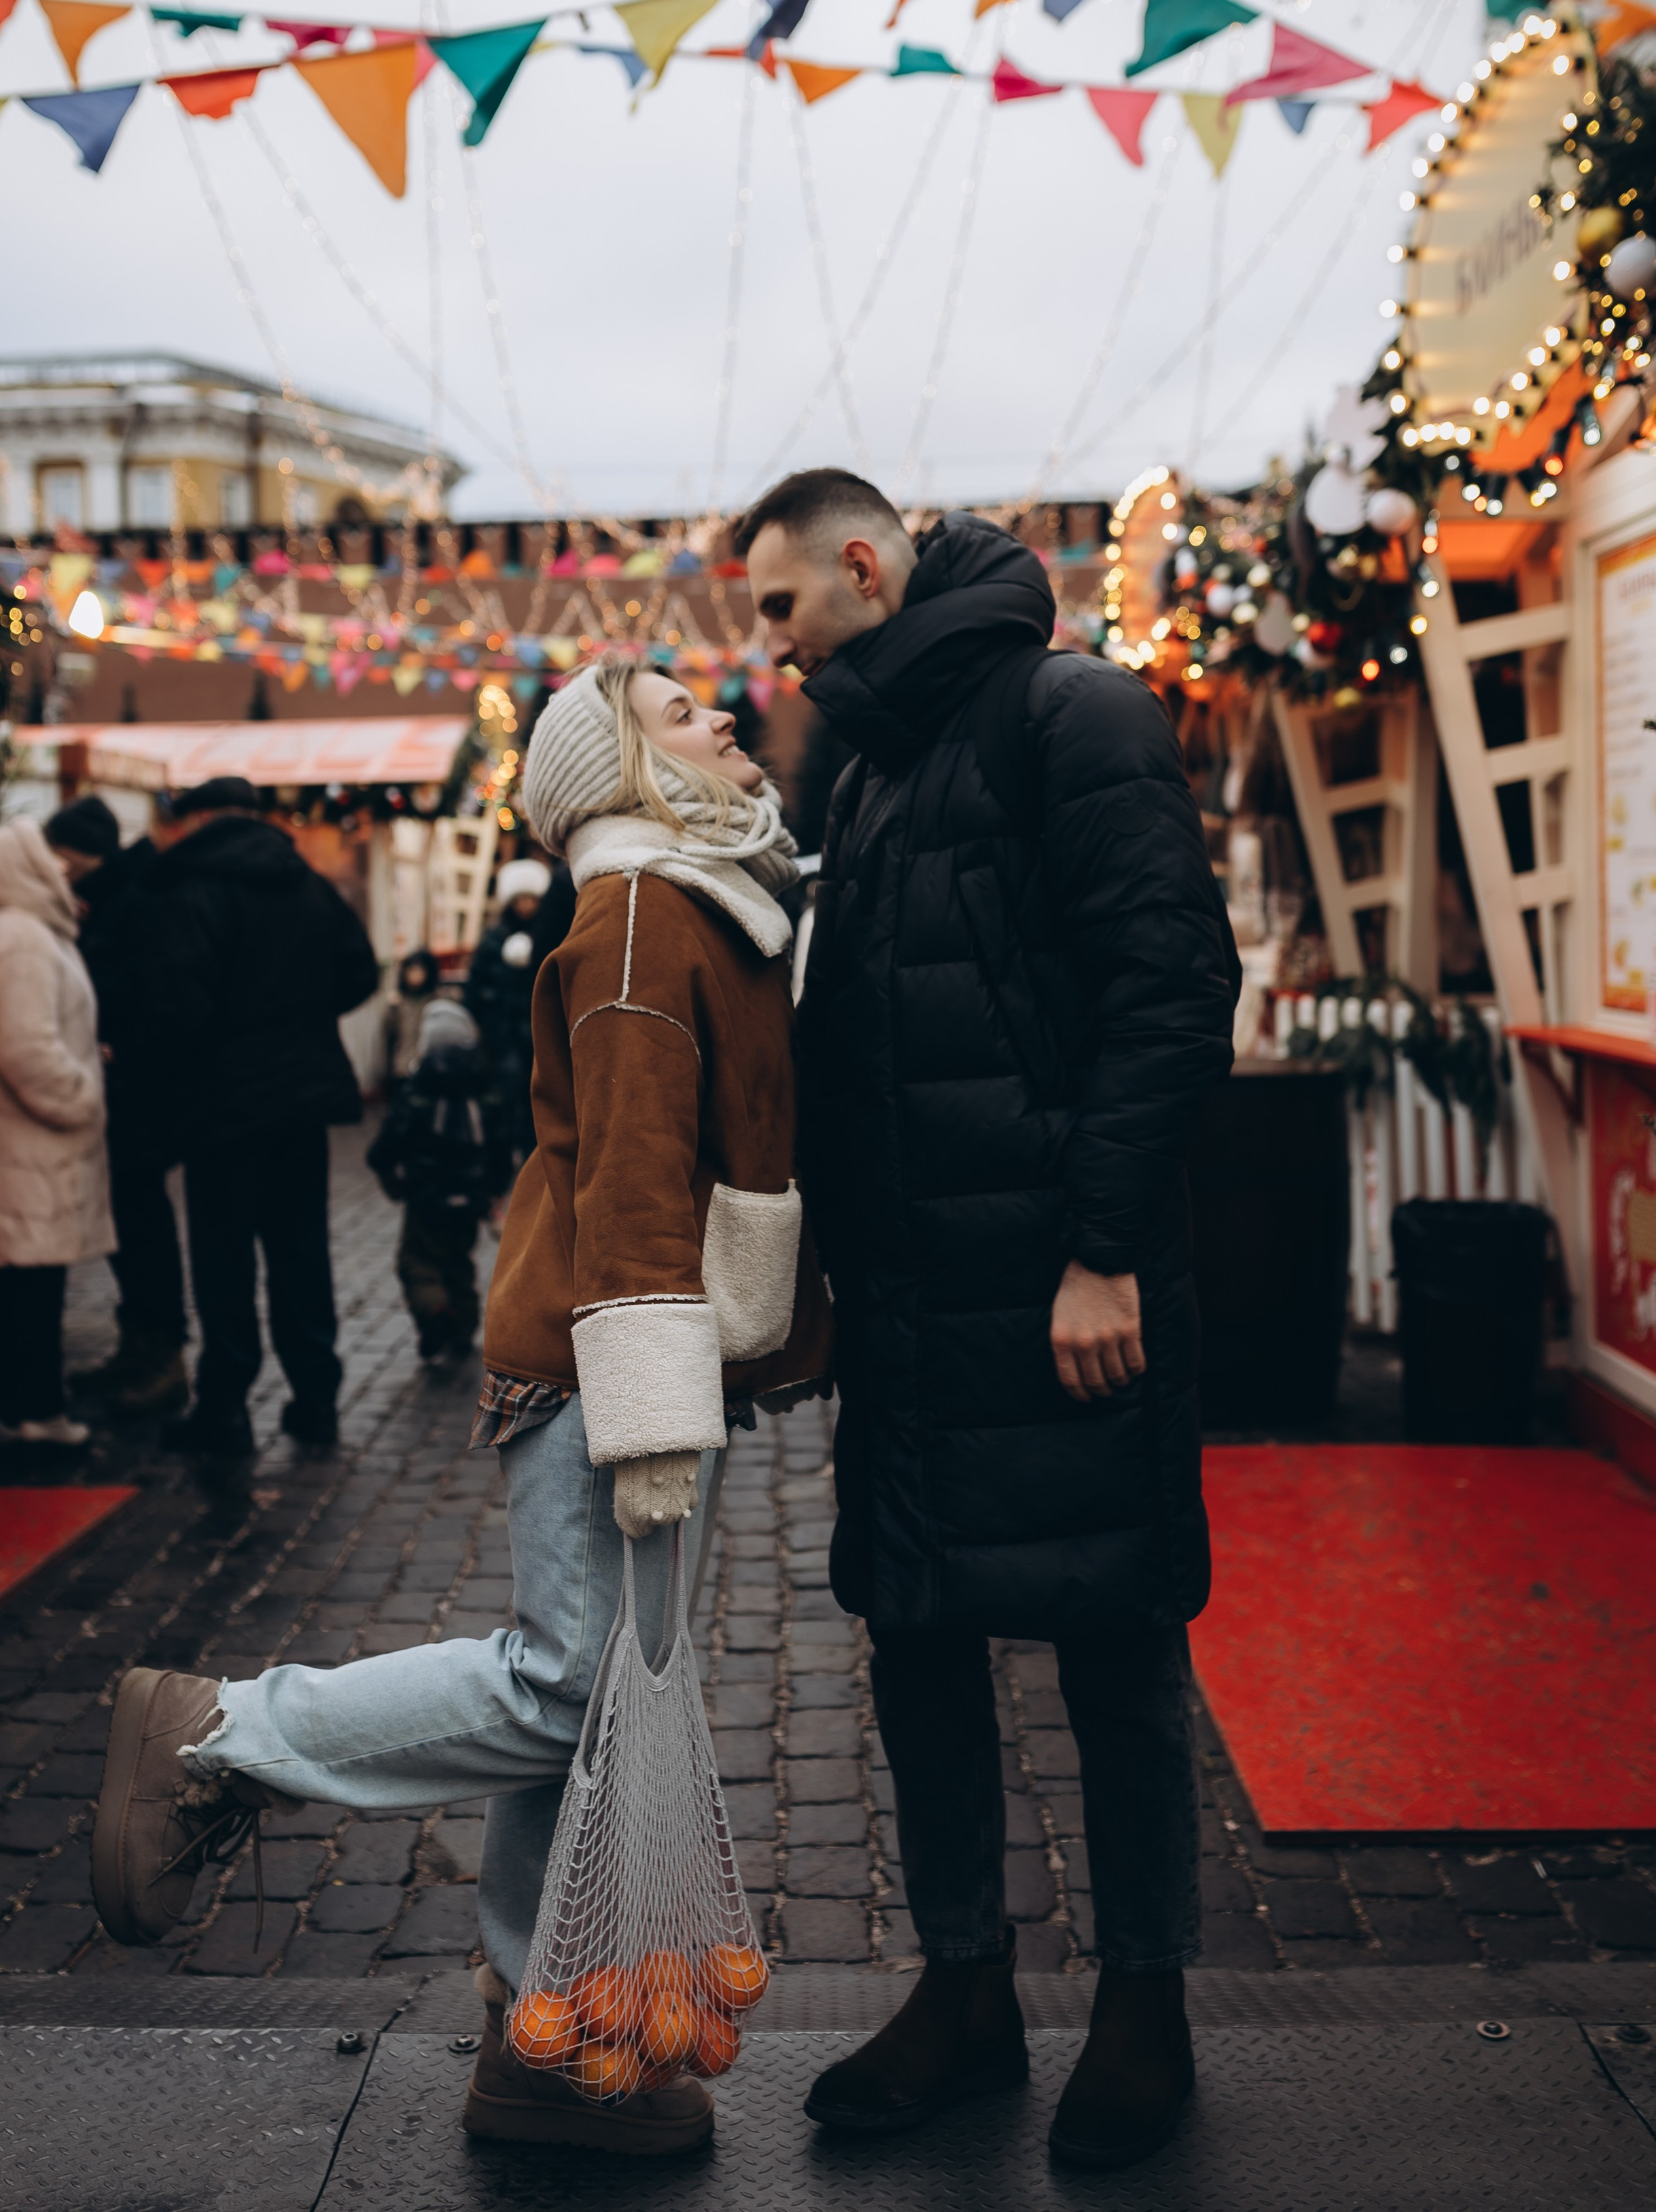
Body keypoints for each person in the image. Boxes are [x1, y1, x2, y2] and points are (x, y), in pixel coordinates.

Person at [90, 662, 829, 2160]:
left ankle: (535, 2038)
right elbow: (629, 1177)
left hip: (634, 1347)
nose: (725, 720)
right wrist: (644, 1418)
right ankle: (219, 1733)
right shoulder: (641, 914)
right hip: (608, 1355)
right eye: (681, 712)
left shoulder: (700, 897)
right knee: (565, 1687)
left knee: (584, 1708)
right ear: (615, 773)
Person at [736, 470, 1240, 2173]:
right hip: (907, 1306)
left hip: (1059, 1297)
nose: (770, 643)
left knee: (1110, 1645)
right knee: (918, 1643)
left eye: (778, 605)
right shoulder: (865, 763)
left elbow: (1169, 985)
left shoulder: (1068, 711)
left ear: (862, 566)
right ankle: (962, 1990)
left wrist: (1100, 1247)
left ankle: (1143, 2005)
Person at [139, 777, 381, 1459]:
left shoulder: (192, 889)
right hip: (299, 1099)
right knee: (300, 1249)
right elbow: (361, 973)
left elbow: (176, 1003)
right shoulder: (306, 884)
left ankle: (224, 1405)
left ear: (202, 818)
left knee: (223, 1257)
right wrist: (299, 1020)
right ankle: (316, 1397)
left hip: (222, 1103)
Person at [0, 817, 114, 1448]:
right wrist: (82, 1095)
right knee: (30, 1287)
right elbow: (26, 1048)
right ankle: (35, 1412)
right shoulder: (23, 940)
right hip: (24, 1149)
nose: (63, 870)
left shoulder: (5, 934)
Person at [45, 793, 189, 1419]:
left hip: (136, 1097)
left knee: (141, 1226)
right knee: (132, 1228)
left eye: (61, 850)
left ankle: (158, 1356)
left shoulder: (129, 904)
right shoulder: (112, 899)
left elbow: (150, 998)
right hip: (132, 1093)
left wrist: (115, 1051)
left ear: (84, 853)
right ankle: (142, 1348)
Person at [366, 995, 506, 1365]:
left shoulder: (418, 1091)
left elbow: (387, 1145)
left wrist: (392, 1179)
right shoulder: (484, 1088)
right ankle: (464, 1331)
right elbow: (500, 1142)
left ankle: (435, 1312)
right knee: (460, 1261)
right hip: (469, 1198)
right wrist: (494, 1189)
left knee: (417, 1262)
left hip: (426, 1198)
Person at [463, 856, 552, 1170]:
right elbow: (476, 988)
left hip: (537, 1035)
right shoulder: (494, 939)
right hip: (503, 1037)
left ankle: (533, 1154)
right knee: (505, 1096)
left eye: (532, 898)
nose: (526, 905)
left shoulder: (548, 937)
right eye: (520, 899)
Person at [377, 946, 442, 1088]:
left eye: (420, 970)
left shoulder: (438, 1001)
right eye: (411, 969)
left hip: (431, 1067)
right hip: (403, 1067)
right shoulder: (398, 1003)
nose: (415, 975)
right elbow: (387, 1036)